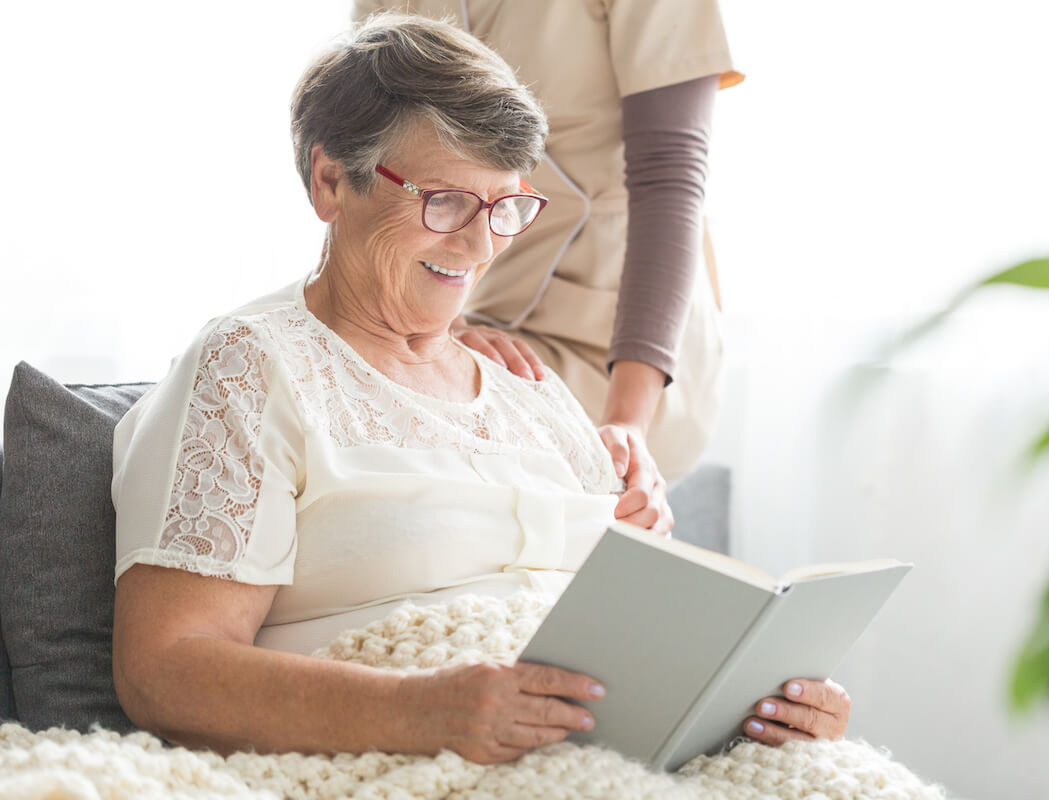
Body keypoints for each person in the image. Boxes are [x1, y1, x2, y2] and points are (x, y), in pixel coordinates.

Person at [111, 15, 849, 764]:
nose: (477, 245)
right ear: (330, 180)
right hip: (415, 765)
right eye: (444, 201)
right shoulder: (251, 368)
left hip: (607, 758)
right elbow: (163, 670)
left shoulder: (532, 392)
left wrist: (758, 703)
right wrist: (417, 713)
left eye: (505, 206)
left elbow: (644, 650)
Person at [353, 1, 744, 500]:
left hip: (625, 343)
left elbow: (669, 176)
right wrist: (445, 328)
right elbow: (378, 162)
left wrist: (627, 425)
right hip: (478, 311)